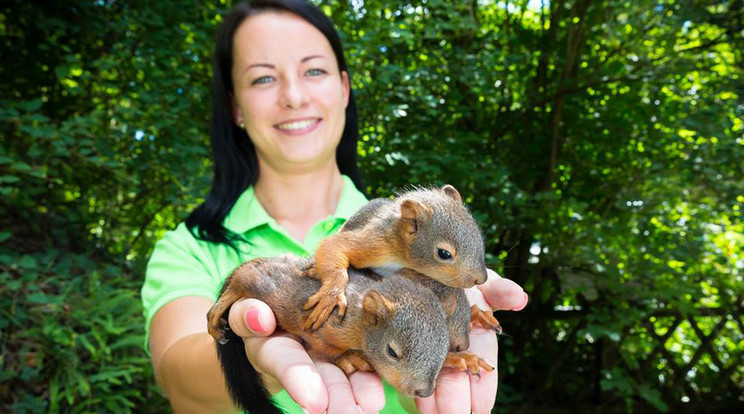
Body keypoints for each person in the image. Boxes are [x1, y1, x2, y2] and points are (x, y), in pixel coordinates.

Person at [141, 1, 529, 413]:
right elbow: (175, 374)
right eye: (263, 78)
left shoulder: (401, 224)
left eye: (313, 71)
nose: (293, 96)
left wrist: (454, 318)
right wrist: (269, 356)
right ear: (236, 107)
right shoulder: (188, 247)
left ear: (344, 88)